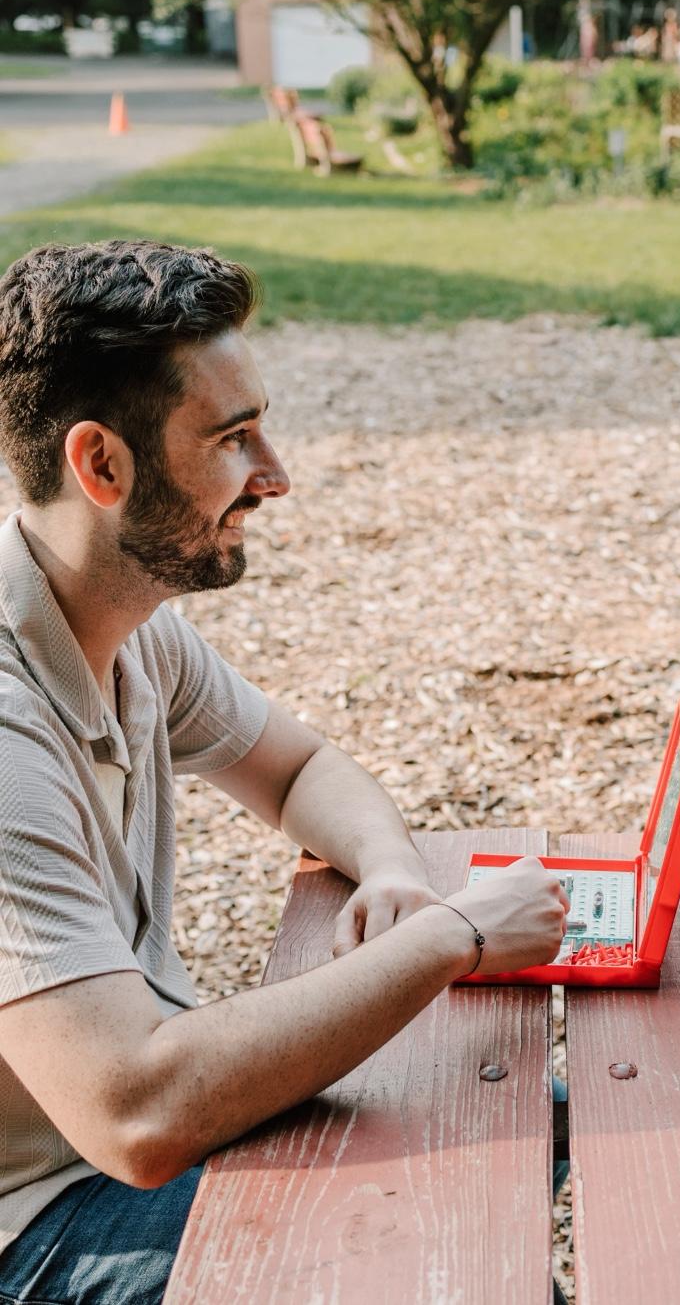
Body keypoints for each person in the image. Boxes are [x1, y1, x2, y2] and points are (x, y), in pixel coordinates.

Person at [0, 240, 571, 1301]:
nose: (275, 473)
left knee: (516, 1135)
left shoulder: (123, 628)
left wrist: (392, 866)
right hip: (38, 1219)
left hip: (117, 1143)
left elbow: (301, 765)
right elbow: (137, 1112)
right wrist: (456, 932)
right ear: (102, 464)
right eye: (232, 436)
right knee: (432, 1251)